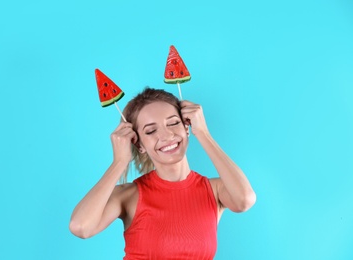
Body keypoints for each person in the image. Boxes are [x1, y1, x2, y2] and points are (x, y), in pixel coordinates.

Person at [69, 87, 256, 259]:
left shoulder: (214, 190)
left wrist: (203, 133)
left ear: (186, 127)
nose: (166, 136)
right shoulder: (129, 195)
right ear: (139, 144)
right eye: (150, 131)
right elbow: (81, 227)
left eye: (173, 123)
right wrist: (119, 162)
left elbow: (245, 200)